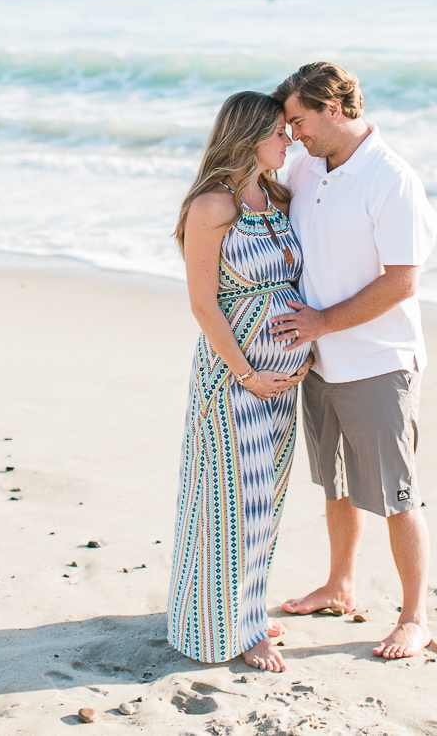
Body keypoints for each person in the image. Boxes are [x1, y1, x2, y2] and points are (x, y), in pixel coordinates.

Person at [270, 62, 437, 659]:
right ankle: (340, 585)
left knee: (396, 494)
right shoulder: (305, 166)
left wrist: (320, 321)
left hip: (377, 361)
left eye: (299, 120)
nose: (293, 134)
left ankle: (415, 617)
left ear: (334, 107)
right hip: (317, 361)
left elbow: (401, 283)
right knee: (335, 484)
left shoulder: (391, 178)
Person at [167, 91, 312, 673]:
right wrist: (248, 373)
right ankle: (228, 630)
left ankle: (243, 611)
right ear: (248, 134)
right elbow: (204, 305)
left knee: (265, 500)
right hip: (236, 379)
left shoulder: (275, 195)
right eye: (278, 131)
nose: (289, 139)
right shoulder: (212, 207)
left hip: (281, 380)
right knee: (229, 500)